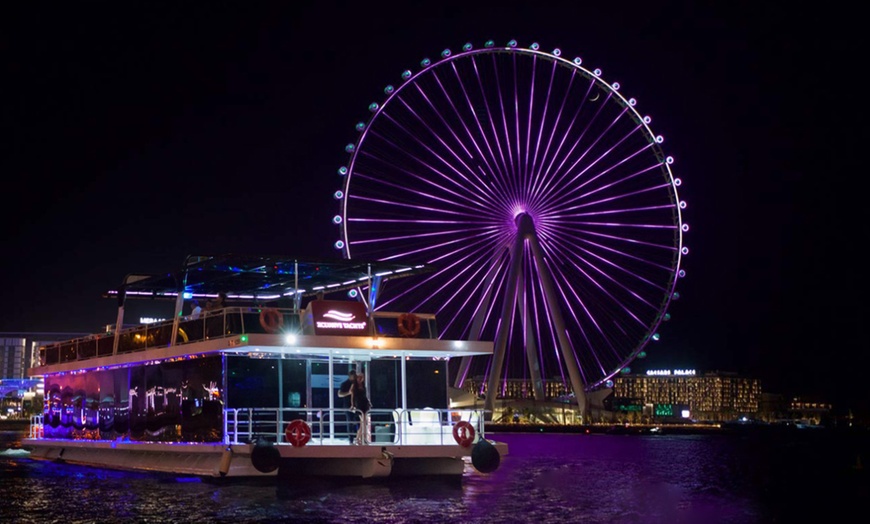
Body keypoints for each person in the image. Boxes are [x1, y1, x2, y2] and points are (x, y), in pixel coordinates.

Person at [351, 371, 371, 444]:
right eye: (359, 377)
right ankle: (358, 438)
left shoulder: (363, 385)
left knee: (363, 423)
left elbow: (365, 396)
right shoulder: (354, 386)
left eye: (361, 377)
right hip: (359, 405)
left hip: (364, 405)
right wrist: (352, 405)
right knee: (363, 422)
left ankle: (360, 438)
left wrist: (368, 403)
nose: (360, 379)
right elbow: (352, 396)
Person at [337, 368, 356, 443]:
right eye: (353, 376)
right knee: (350, 422)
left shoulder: (357, 384)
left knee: (359, 421)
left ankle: (358, 437)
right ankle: (351, 439)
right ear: (349, 376)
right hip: (348, 405)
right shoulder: (344, 384)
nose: (354, 377)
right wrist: (349, 393)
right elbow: (339, 394)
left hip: (357, 405)